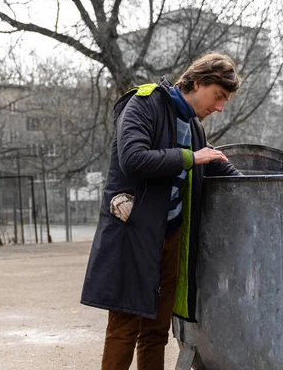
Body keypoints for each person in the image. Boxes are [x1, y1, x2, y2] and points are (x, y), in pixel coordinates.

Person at [81, 52, 242, 370]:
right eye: (218, 96)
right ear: (198, 83)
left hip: (170, 238)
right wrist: (190, 158)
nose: (220, 107)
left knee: (156, 332)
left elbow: (211, 167)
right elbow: (133, 158)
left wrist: (256, 183)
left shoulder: (193, 126)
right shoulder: (144, 103)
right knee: (124, 328)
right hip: (135, 235)